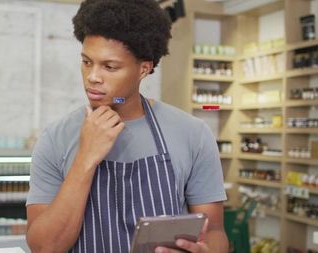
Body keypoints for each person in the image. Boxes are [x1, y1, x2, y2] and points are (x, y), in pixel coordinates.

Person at [26, 0, 228, 252]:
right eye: (87, 62)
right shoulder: (56, 137)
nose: (93, 77)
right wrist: (85, 159)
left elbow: (215, 232)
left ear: (144, 68)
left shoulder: (192, 134)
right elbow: (44, 247)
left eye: (109, 66)